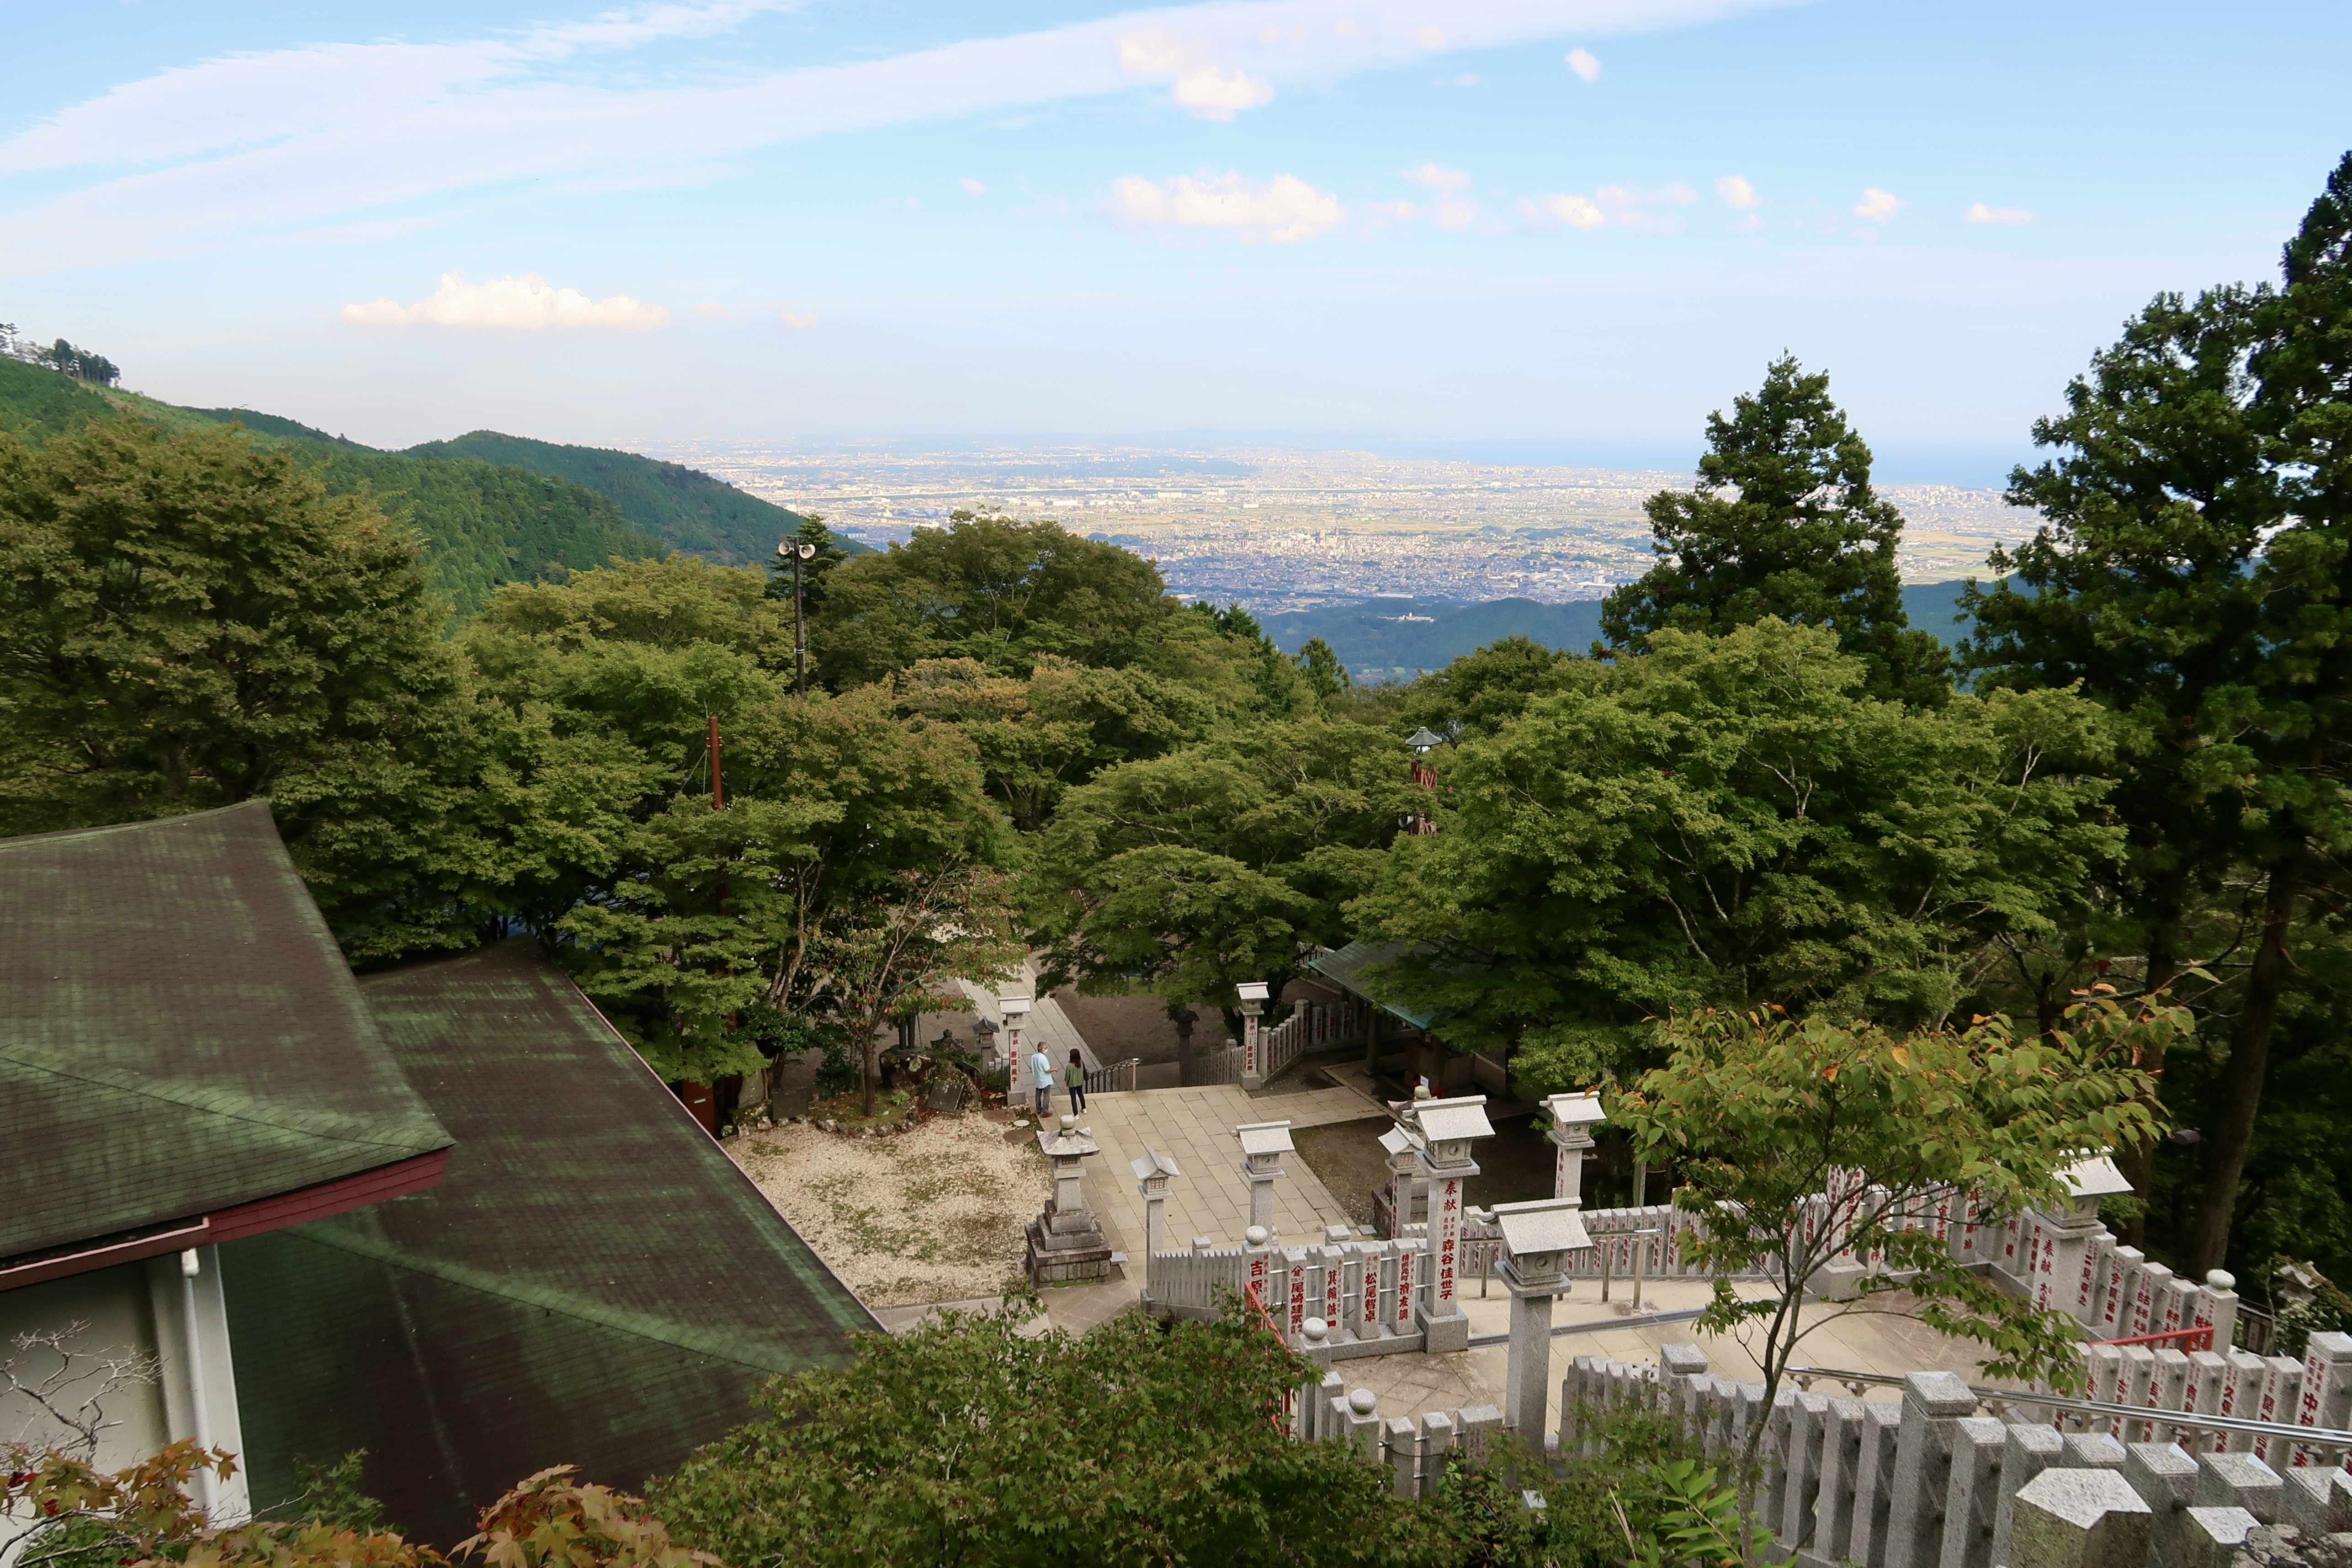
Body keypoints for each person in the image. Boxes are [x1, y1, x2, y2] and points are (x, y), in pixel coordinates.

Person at [1029, 1044, 1055, 1118]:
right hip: (1045, 1080)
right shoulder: (1043, 1059)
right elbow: (1047, 1070)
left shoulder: (1034, 1057)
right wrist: (1054, 1069)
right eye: (1046, 1048)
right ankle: (1044, 1112)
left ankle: (1038, 1109)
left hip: (1038, 1078)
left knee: (1038, 1094)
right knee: (1046, 1095)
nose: (1047, 1049)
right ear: (1041, 1049)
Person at [1065, 1048, 1088, 1114]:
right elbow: (1086, 1070)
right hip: (1080, 1082)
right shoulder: (1081, 1063)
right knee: (1081, 1095)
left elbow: (1067, 1076)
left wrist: (1066, 1084)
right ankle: (1084, 1108)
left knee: (1073, 1099)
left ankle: (1076, 1114)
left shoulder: (1070, 1066)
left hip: (1072, 1084)